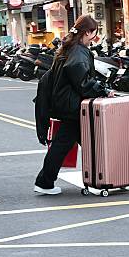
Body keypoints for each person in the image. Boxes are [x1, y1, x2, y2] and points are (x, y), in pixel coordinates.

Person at [34, 14, 113, 195]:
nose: (94, 38)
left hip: (67, 104)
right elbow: (83, 81)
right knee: (67, 144)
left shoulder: (70, 48)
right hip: (73, 107)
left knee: (87, 142)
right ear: (87, 32)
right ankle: (45, 182)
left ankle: (108, 176)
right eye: (94, 33)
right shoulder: (78, 52)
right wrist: (103, 90)